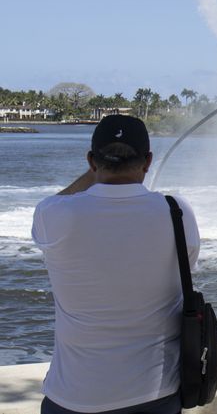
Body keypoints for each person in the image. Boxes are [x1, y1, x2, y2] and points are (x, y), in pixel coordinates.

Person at [32, 115, 201, 414]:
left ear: (91, 161)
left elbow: (59, 203)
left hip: (72, 396)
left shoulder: (54, 215)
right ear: (148, 161)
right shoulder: (178, 213)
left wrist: (94, 174)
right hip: (155, 394)